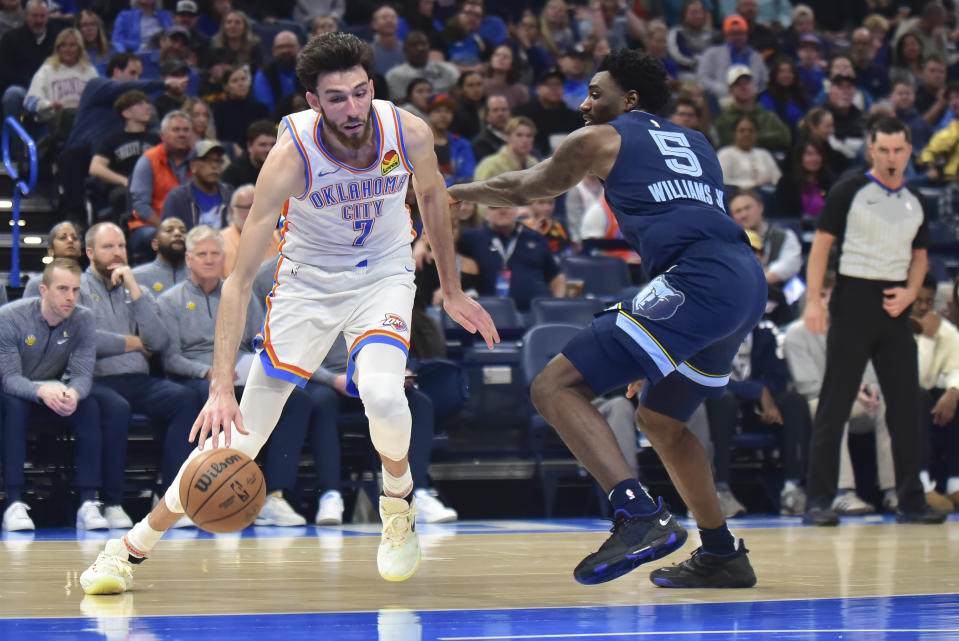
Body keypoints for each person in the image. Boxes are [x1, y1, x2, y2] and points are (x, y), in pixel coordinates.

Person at [79, 32, 497, 595]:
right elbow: (237, 281)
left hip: (384, 274)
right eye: (335, 97)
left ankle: (397, 501)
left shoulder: (408, 130)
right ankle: (126, 549)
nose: (351, 108)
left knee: (381, 392)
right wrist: (221, 385)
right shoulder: (289, 157)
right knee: (239, 441)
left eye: (358, 92)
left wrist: (450, 288)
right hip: (307, 286)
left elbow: (432, 201)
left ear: (371, 87)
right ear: (312, 101)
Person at [448, 48, 765, 588]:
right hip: (743, 282)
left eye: (596, 93)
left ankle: (637, 512)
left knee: (554, 386)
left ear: (630, 98)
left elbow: (527, 186)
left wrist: (457, 192)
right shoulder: (698, 142)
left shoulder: (602, 137)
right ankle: (721, 552)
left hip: (697, 279)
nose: (585, 104)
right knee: (661, 419)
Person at [801, 117, 947, 527]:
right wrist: (814, 300)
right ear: (871, 150)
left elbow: (920, 257)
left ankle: (911, 500)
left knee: (906, 405)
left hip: (895, 306)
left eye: (898, 150)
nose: (891, 157)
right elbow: (821, 248)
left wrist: (910, 292)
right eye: (883, 150)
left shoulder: (914, 197)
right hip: (853, 299)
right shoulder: (850, 189)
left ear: (909, 151)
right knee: (834, 402)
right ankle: (819, 500)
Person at [158, 226, 311, 526]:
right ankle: (185, 494)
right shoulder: (170, 301)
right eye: (202, 254)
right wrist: (206, 371)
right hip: (196, 376)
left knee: (297, 400)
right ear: (188, 259)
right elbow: (169, 357)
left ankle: (275, 496)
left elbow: (258, 336)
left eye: (215, 254)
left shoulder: (240, 294)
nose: (210, 260)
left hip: (237, 372)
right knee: (192, 401)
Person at [0, 259, 131, 532]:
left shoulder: (84, 318)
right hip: (19, 392)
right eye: (62, 289)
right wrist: (39, 391)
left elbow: (83, 373)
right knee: (12, 406)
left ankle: (87, 501)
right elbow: (9, 378)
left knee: (89, 405)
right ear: (43, 291)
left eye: (75, 290)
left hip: (53, 389)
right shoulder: (11, 316)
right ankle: (14, 502)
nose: (70, 297)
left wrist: (73, 392)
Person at [88, 90, 160, 223]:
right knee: (120, 195)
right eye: (140, 104)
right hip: (125, 188)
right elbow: (95, 168)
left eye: (147, 103)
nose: (147, 107)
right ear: (126, 113)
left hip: (154, 186)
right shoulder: (112, 140)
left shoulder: (156, 140)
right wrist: (124, 181)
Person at [161, 139, 234, 230]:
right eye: (207, 160)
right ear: (193, 167)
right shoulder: (178, 198)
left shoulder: (230, 195)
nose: (214, 165)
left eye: (217, 161)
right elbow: (169, 234)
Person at [220, 184, 280, 278]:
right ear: (232, 211)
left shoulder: (277, 237)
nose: (253, 212)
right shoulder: (219, 241)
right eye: (247, 207)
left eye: (258, 206)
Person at [22, 221, 84, 297]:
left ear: (80, 249)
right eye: (63, 238)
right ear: (51, 250)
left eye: (74, 238)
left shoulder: (89, 283)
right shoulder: (37, 284)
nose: (70, 240)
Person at [131, 217, 188, 295]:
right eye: (169, 230)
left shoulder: (200, 275)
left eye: (183, 231)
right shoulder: (135, 277)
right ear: (155, 244)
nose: (178, 233)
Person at [221, 120, 275, 188]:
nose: (268, 149)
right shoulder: (234, 172)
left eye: (273, 144)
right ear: (249, 146)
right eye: (263, 145)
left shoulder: (282, 166)